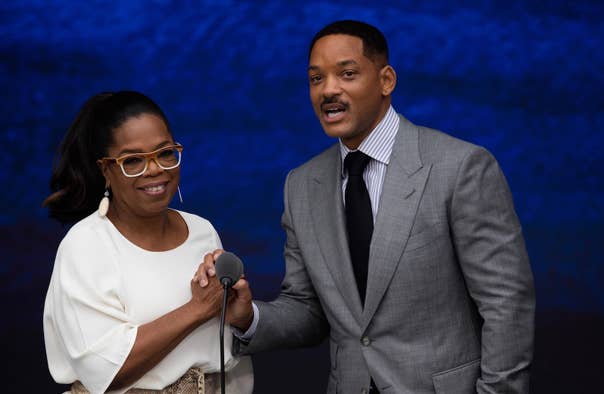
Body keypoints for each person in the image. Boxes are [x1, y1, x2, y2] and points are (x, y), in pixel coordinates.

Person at [196, 20, 535, 393]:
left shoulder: (460, 167)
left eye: (347, 73)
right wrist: (247, 316)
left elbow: (506, 304)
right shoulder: (301, 185)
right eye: (315, 79)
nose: (329, 90)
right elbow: (308, 310)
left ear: (386, 80)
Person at [42, 91, 253, 394]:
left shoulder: (202, 231)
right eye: (133, 160)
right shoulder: (86, 245)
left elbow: (221, 352)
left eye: (165, 153)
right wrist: (197, 309)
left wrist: (239, 316)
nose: (154, 169)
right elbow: (106, 371)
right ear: (106, 170)